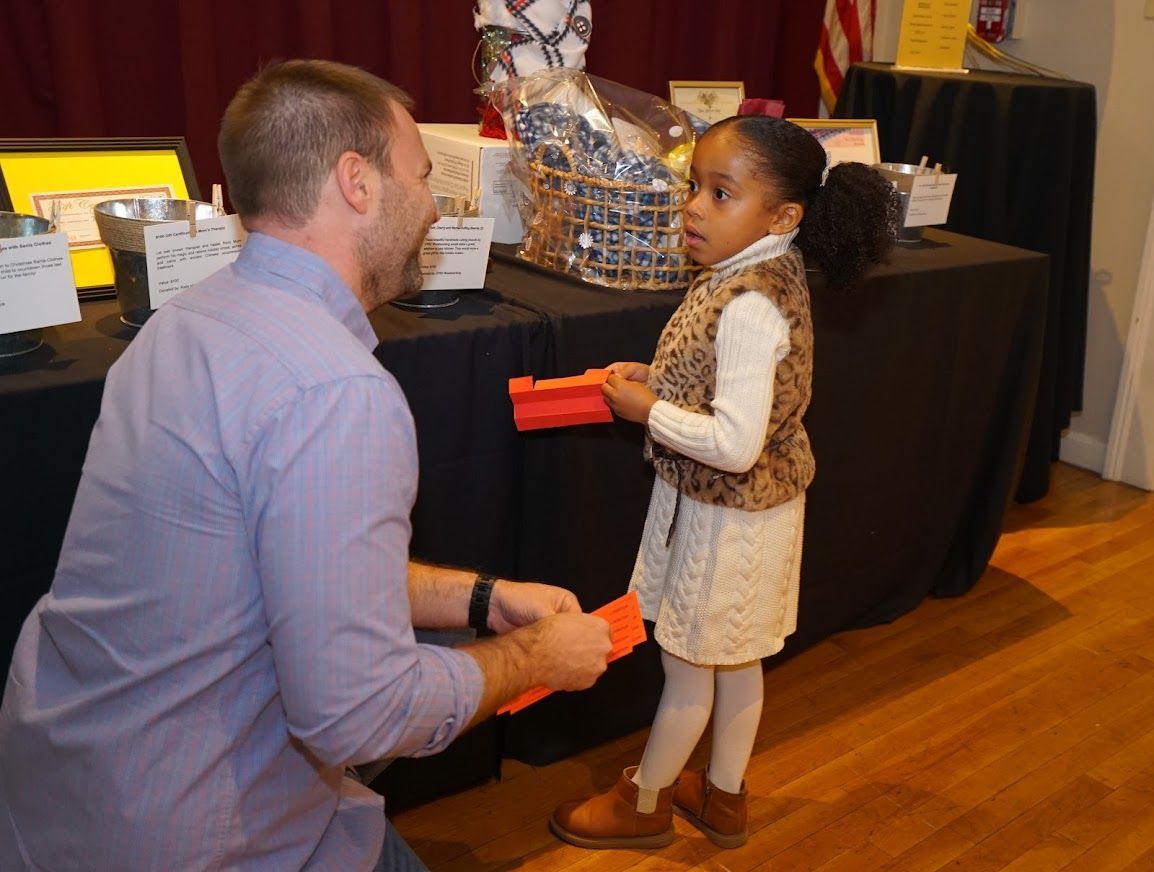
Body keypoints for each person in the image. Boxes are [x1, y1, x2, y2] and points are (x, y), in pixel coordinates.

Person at [0, 60, 612, 871]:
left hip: (70, 780)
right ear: (357, 183)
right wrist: (535, 658)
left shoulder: (185, 320)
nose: (433, 206)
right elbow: (357, 715)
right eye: (423, 176)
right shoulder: (337, 392)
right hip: (200, 828)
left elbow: (278, 570)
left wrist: (481, 599)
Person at [550, 115, 899, 850]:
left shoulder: (749, 303)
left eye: (720, 193)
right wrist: (663, 382)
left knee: (688, 669)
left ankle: (644, 802)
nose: (693, 208)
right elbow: (725, 390)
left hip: (728, 516)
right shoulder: (754, 274)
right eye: (693, 188)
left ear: (783, 216)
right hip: (753, 515)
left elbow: (735, 445)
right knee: (739, 658)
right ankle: (722, 796)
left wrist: (648, 411)